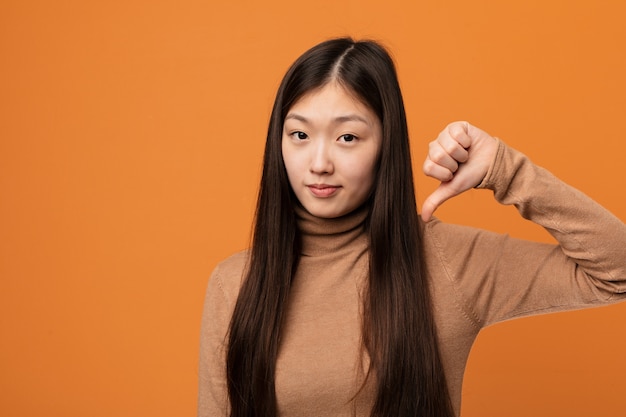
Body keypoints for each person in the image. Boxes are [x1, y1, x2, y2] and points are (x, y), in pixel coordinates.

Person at [197, 38, 626, 417]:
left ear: (387, 143)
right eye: (299, 135)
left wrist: (505, 169)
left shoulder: (446, 261)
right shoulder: (234, 284)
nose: (319, 163)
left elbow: (617, 272)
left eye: (347, 137)